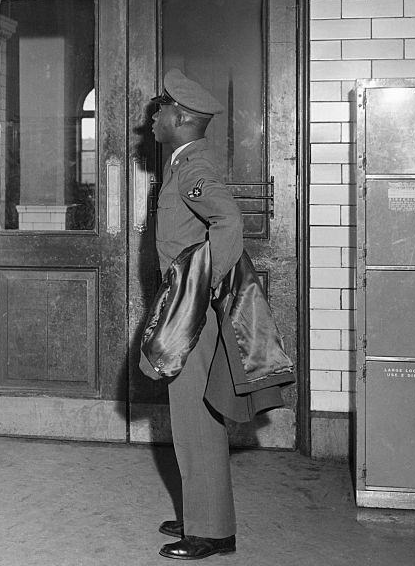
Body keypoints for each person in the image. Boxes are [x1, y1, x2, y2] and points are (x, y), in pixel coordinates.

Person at [147, 68, 284, 561]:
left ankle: (211, 531)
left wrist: (198, 286)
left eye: (160, 110)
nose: (154, 118)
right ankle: (202, 511)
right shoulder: (185, 162)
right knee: (190, 413)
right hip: (189, 302)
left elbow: (230, 222)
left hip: (193, 309)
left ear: (180, 117)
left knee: (194, 416)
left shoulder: (193, 169)